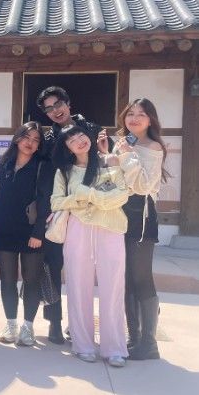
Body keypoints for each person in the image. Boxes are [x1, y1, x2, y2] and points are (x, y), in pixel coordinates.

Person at [35, 86, 109, 344]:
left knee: (87, 271)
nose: (55, 111)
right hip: (59, 209)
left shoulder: (93, 129)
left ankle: (82, 323)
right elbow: (45, 178)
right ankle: (54, 322)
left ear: (68, 102)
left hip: (91, 209)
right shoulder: (47, 139)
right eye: (49, 109)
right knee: (53, 265)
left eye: (58, 104)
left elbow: (107, 166)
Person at [51, 124, 129, 367]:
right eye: (71, 139)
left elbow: (122, 195)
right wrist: (83, 198)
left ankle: (114, 348)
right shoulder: (64, 172)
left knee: (113, 288)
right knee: (77, 286)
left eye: (81, 134)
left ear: (90, 137)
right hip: (78, 230)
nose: (79, 140)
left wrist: (89, 195)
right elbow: (56, 202)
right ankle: (82, 344)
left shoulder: (109, 162)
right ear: (67, 148)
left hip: (111, 229)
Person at [109, 98, 168, 361]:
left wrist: (126, 155)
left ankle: (149, 343)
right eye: (130, 113)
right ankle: (134, 337)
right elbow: (114, 178)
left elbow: (143, 186)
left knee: (141, 276)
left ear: (150, 119)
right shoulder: (123, 142)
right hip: (119, 213)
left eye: (141, 114)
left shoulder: (153, 146)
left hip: (141, 216)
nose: (134, 118)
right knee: (125, 277)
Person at [0, 122, 45, 346]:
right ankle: (11, 324)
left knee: (31, 281)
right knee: (7, 280)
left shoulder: (42, 166)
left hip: (32, 232)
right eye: (26, 137)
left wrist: (39, 232)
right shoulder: (4, 163)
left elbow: (46, 201)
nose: (30, 143)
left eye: (35, 139)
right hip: (5, 229)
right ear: (17, 138)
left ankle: (28, 327)